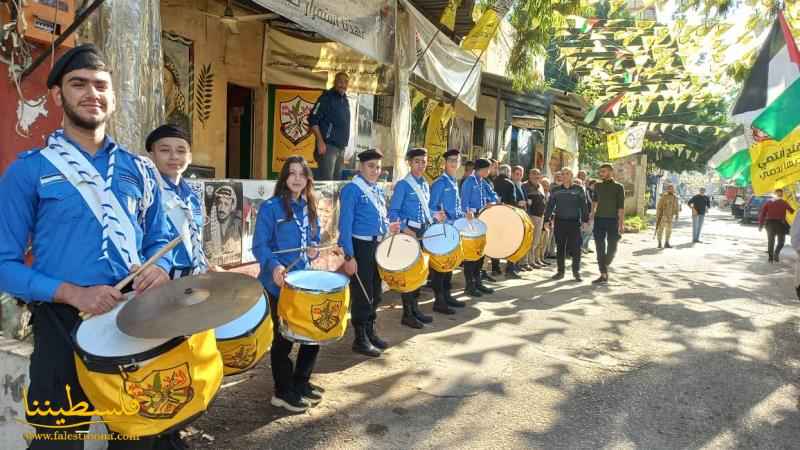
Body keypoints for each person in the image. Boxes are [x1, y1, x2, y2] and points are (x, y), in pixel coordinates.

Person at [0, 44, 174, 449]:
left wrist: (159, 268)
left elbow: (161, 238)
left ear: (113, 97)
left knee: (136, 438)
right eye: (79, 84)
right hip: (61, 323)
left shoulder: (141, 170)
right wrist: (72, 292)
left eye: (101, 86)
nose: (91, 94)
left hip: (134, 320)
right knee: (56, 441)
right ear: (59, 95)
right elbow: (4, 263)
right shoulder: (29, 169)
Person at [254, 155, 323, 412]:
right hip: (279, 283)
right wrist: (274, 266)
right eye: (291, 173)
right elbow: (260, 245)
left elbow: (316, 236)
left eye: (301, 174)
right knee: (283, 340)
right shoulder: (270, 207)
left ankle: (301, 382)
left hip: (305, 281)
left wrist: (314, 248)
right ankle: (282, 391)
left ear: (307, 179)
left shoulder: (310, 205)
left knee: (311, 334)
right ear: (284, 178)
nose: (296, 178)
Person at [339, 149, 400, 357]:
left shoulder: (377, 189)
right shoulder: (352, 190)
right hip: (360, 247)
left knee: (376, 291)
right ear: (360, 167)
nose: (375, 170)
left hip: (377, 246)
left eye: (378, 167)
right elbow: (345, 225)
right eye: (371, 166)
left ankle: (370, 330)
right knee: (362, 294)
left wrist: (388, 228)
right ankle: (360, 338)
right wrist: (349, 255)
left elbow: (379, 218)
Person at [389, 148, 446, 328]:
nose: (421, 165)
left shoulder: (424, 184)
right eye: (417, 161)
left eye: (423, 161)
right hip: (409, 234)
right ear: (409, 163)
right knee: (408, 274)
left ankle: (415, 309)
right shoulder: (403, 185)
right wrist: (405, 229)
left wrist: (436, 215)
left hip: (423, 232)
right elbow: (393, 212)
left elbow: (425, 210)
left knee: (420, 273)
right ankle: (407, 313)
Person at [146, 124, 208, 278]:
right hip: (161, 277)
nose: (174, 156)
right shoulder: (146, 193)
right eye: (165, 150)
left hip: (193, 276)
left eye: (181, 151)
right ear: (151, 156)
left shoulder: (193, 196)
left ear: (190, 157)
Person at [429, 149, 470, 314]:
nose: (454, 163)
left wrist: (463, 216)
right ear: (445, 163)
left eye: (457, 160)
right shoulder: (440, 183)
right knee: (440, 267)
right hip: (442, 230)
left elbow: (456, 207)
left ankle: (447, 295)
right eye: (451, 160)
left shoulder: (454, 181)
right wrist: (441, 217)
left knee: (450, 265)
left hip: (453, 229)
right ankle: (438, 300)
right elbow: (432, 207)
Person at [461, 158, 499, 296]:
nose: (489, 171)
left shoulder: (484, 183)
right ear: (481, 169)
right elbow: (464, 202)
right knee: (471, 255)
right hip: (472, 221)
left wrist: (491, 202)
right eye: (488, 169)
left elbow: (494, 197)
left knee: (480, 253)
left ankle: (478, 282)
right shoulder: (469, 182)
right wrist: (470, 211)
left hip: (482, 219)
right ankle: (469, 285)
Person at [544, 168, 589, 282]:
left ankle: (576, 272)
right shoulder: (555, 190)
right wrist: (546, 220)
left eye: (567, 174)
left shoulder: (578, 189)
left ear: (572, 176)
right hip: (560, 222)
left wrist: (585, 220)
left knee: (576, 248)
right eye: (562, 174)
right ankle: (560, 272)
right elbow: (550, 206)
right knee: (560, 248)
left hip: (574, 223)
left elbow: (583, 205)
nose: (564, 176)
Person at [309, 72, 351, 181]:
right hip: (328, 147)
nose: (343, 85)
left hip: (341, 148)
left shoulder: (345, 100)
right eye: (340, 81)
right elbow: (313, 120)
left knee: (336, 183)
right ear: (334, 82)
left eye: (346, 82)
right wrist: (320, 141)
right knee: (326, 183)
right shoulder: (326, 97)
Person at [591, 163, 625, 284]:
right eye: (600, 172)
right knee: (599, 248)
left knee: (612, 248)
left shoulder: (619, 187)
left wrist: (621, 224)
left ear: (611, 172)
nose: (601, 174)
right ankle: (603, 274)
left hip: (612, 221)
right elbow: (594, 202)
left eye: (604, 171)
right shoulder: (597, 186)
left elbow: (621, 207)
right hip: (599, 220)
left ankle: (605, 263)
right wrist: (592, 214)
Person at [492, 164, 522, 278]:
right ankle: (510, 269)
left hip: (494, 216)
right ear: (508, 173)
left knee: (495, 241)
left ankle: (495, 267)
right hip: (507, 216)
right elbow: (513, 201)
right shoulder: (510, 183)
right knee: (510, 243)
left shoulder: (493, 182)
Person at [758, 188, 794, 263]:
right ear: (782, 194)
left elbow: (763, 214)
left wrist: (761, 225)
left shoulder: (769, 202)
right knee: (781, 241)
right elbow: (791, 211)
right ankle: (775, 254)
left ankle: (771, 257)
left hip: (770, 224)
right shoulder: (784, 202)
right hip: (780, 224)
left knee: (771, 241)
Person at [523, 169, 547, 269]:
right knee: (528, 239)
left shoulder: (540, 186)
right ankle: (524, 262)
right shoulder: (525, 185)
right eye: (534, 174)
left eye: (538, 174)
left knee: (536, 240)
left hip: (540, 216)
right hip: (530, 216)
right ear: (529, 175)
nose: (536, 176)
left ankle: (532, 260)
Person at [655, 184, 680, 249]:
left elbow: (677, 207)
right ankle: (659, 243)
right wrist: (658, 216)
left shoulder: (675, 198)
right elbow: (659, 207)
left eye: (672, 188)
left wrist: (677, 215)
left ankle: (667, 243)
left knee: (669, 231)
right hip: (662, 216)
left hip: (670, 217)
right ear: (667, 189)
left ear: (673, 189)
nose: (670, 190)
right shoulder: (663, 197)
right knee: (660, 230)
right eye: (669, 188)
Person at [537, 178, 553, 267]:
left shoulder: (550, 195)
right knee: (539, 241)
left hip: (548, 220)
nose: (546, 187)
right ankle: (537, 258)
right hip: (541, 218)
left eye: (547, 185)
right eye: (544, 185)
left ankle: (542, 258)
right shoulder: (540, 194)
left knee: (545, 241)